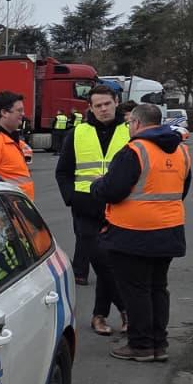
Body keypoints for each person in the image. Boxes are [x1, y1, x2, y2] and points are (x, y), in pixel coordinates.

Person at [90, 103, 191, 362]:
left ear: (135, 123)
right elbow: (182, 190)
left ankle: (141, 345)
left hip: (133, 232)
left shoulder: (134, 150)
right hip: (169, 229)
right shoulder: (181, 150)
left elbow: (113, 190)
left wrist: (96, 186)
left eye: (129, 124)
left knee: (136, 290)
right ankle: (159, 343)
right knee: (158, 287)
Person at [55, 85, 129, 334]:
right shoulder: (78, 133)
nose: (103, 109)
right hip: (86, 209)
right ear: (90, 108)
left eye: (107, 103)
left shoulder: (130, 132)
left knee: (111, 264)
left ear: (116, 102)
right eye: (98, 105)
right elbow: (63, 171)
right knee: (100, 261)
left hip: (120, 207)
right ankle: (125, 309)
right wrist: (72, 198)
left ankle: (99, 316)